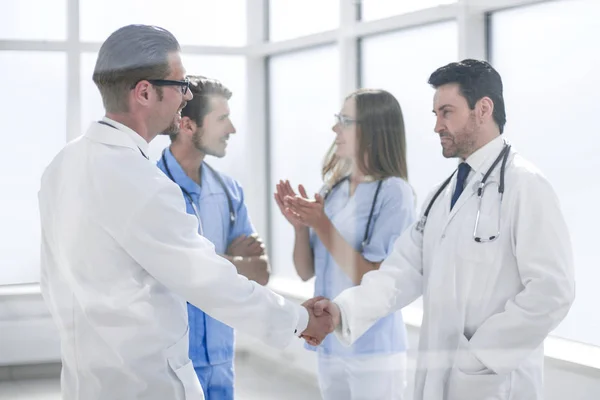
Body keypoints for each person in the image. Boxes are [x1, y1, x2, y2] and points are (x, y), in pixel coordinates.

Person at [37, 24, 332, 400]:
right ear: (145, 92)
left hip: (86, 382)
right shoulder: (142, 182)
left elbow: (52, 278)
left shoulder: (62, 165)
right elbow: (211, 281)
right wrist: (301, 320)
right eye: (180, 84)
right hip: (146, 385)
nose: (187, 95)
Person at [308, 59, 575, 400]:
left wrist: (479, 357)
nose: (436, 126)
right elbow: (400, 273)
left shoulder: (525, 185)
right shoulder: (442, 194)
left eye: (446, 112)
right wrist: (342, 311)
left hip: (492, 383)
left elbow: (553, 291)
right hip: (442, 378)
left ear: (483, 109)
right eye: (435, 114)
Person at [276, 88, 415, 400]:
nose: (335, 129)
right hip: (329, 344)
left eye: (345, 121)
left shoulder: (395, 193)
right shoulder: (333, 189)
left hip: (374, 350)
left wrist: (322, 224)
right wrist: (301, 228)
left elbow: (374, 280)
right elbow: (304, 271)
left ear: (372, 130)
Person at [156, 75, 269, 400]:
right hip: (169, 364)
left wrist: (210, 265)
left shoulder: (230, 191)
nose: (232, 128)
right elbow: (170, 273)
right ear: (188, 125)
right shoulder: (152, 188)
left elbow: (261, 273)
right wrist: (235, 262)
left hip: (220, 359)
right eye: (222, 119)